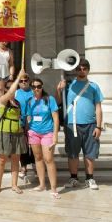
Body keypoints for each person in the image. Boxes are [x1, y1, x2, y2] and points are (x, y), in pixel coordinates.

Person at [56, 59, 103, 190]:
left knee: (90, 153)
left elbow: (98, 107)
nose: (82, 71)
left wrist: (99, 126)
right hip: (72, 124)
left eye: (84, 68)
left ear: (88, 70)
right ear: (75, 70)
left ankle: (90, 178)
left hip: (90, 124)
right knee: (72, 153)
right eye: (79, 69)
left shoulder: (94, 86)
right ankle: (73, 178)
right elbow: (58, 102)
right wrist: (58, 90)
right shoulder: (68, 85)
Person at [0, 70, 27, 194]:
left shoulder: (17, 103)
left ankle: (14, 185)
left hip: (18, 133)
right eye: (8, 87)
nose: (11, 90)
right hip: (5, 133)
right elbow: (11, 92)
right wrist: (18, 77)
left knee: (15, 159)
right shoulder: (3, 100)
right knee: (2, 159)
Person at [26, 78, 61, 198]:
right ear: (31, 88)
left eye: (38, 86)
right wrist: (28, 131)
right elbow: (28, 117)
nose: (36, 89)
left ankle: (54, 189)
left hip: (47, 133)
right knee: (38, 158)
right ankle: (42, 185)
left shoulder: (49, 99)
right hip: (34, 132)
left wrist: (55, 135)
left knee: (49, 159)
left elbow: (56, 118)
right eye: (34, 87)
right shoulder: (30, 101)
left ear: (42, 87)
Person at [15, 73, 35, 179]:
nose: (23, 82)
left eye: (25, 80)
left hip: (33, 122)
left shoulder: (34, 92)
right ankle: (23, 167)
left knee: (34, 145)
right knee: (23, 146)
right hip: (20, 122)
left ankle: (36, 165)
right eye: (21, 81)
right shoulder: (15, 93)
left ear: (29, 81)